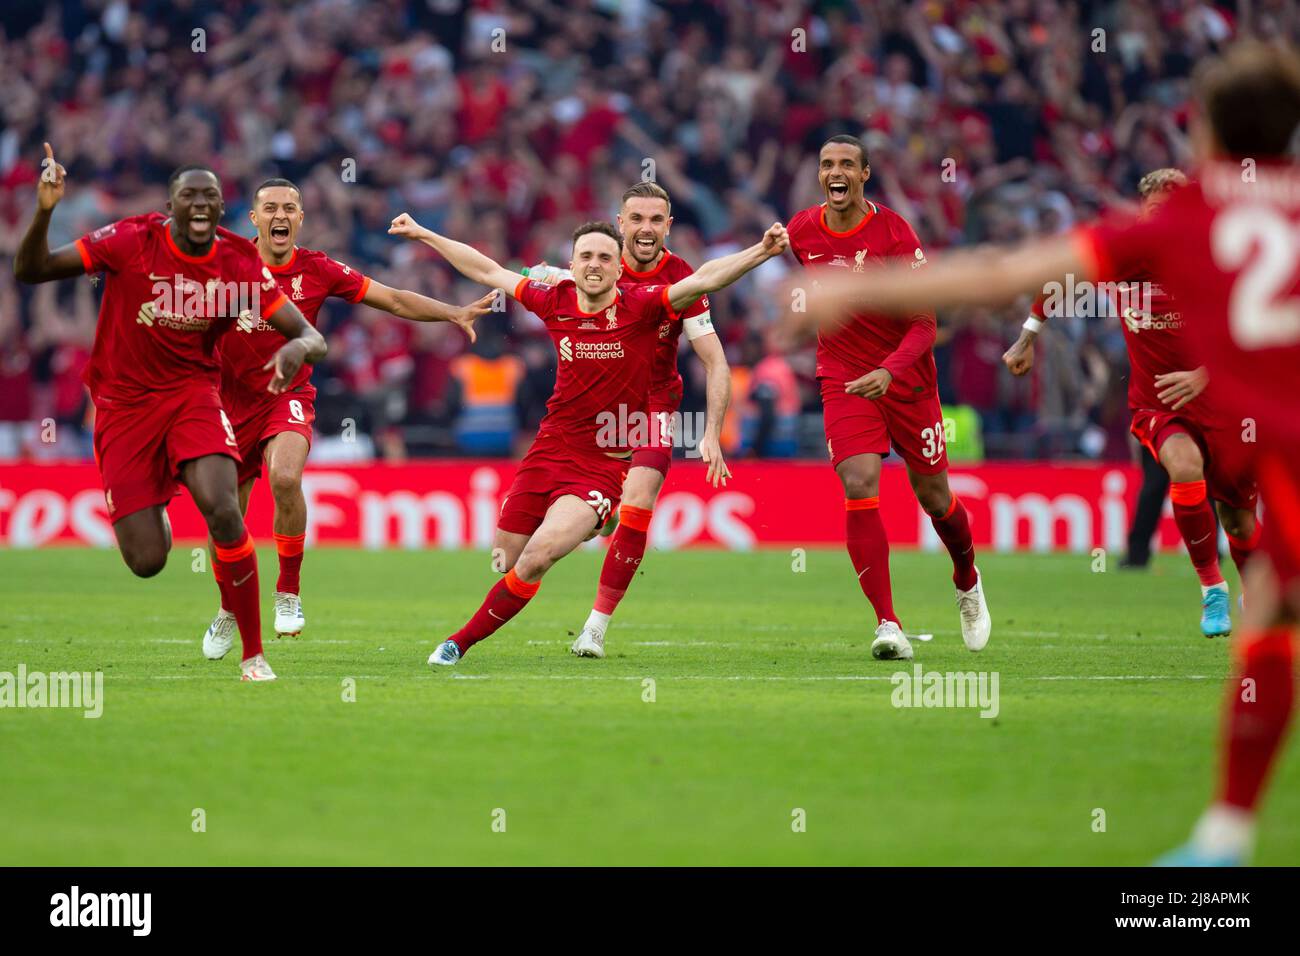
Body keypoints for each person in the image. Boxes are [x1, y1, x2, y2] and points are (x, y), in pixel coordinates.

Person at [785, 41, 1300, 866]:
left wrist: (862, 288)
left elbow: (1013, 271)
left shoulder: (1183, 218)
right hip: (1263, 444)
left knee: (1273, 612)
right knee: (1271, 601)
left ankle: (1226, 836)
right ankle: (1226, 834)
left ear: (1206, 135)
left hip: (1262, 446)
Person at [385, 213, 786, 665]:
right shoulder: (552, 298)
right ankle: (598, 520)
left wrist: (761, 252)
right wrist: (425, 233)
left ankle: (457, 643)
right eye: (586, 257)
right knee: (503, 559)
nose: (595, 265)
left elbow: (706, 278)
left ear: (620, 269)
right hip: (550, 448)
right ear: (570, 266)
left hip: (605, 460)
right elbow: (486, 270)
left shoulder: (645, 304)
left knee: (537, 558)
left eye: (604, 258)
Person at [13, 146, 326, 682]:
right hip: (123, 407)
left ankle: (253, 654)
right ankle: (153, 492)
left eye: (210, 196)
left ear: (223, 208)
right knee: (147, 560)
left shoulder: (238, 260)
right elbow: (33, 269)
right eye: (189, 195)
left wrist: (297, 347)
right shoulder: (130, 240)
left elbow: (310, 334)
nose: (200, 204)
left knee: (225, 510)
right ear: (170, 205)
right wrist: (44, 209)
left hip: (193, 395)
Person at [200, 178, 492, 660]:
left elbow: (394, 299)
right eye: (269, 207)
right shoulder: (225, 266)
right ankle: (230, 609)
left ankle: (288, 591)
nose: (280, 215)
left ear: (299, 219)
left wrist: (453, 313)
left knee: (286, 477)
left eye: (289, 208)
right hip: (228, 405)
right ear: (253, 219)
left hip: (285, 395)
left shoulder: (317, 269)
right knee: (225, 517)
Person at [1002, 168, 1260, 638]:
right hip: (1159, 403)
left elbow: (1250, 335)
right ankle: (1212, 589)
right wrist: (1027, 338)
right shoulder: (1126, 256)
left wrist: (1204, 375)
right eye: (1152, 208)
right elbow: (1061, 277)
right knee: (1183, 467)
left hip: (1223, 403)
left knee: (1239, 520)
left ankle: (1255, 590)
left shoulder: (1214, 260)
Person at [786, 135, 991, 662]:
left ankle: (967, 577)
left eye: (847, 165)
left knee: (935, 499)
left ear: (865, 174)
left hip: (907, 381)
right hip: (843, 379)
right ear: (819, 174)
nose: (837, 172)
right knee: (858, 482)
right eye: (827, 163)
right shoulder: (802, 230)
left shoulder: (894, 233)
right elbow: (772, 255)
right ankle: (887, 624)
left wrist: (889, 371)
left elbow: (925, 323)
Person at [532, 181, 733, 659]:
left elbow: (715, 361)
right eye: (636, 220)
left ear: (668, 226)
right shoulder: (595, 265)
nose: (646, 229)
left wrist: (711, 432)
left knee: (640, 498)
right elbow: (532, 276)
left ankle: (595, 628)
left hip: (649, 407)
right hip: (588, 410)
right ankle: (604, 511)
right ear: (620, 225)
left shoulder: (683, 279)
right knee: (540, 536)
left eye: (655, 220)